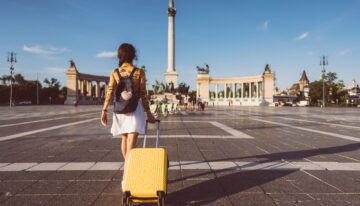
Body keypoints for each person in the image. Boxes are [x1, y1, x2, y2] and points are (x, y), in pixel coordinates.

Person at [100, 43, 156, 188]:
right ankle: (128, 174)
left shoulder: (115, 72)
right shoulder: (139, 72)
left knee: (124, 139)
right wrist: (148, 113)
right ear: (133, 56)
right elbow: (143, 94)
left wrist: (104, 110)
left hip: (120, 108)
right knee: (131, 140)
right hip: (134, 107)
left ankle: (128, 171)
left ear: (120, 55)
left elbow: (110, 91)